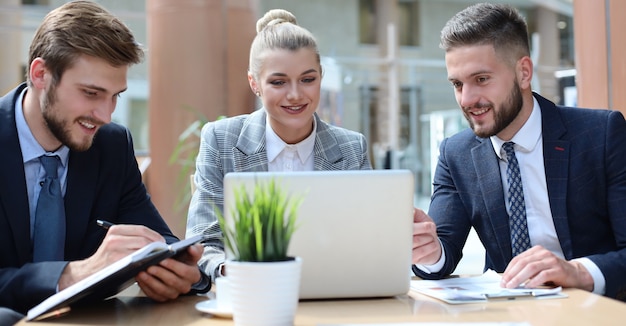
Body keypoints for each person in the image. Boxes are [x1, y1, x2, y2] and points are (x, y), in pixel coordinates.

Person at [0, 0, 210, 320]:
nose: (105, 114)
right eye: (91, 93)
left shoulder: (111, 145)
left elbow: (157, 241)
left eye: (116, 95)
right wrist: (70, 275)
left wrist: (184, 273)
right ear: (41, 74)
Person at [411, 2, 626, 301]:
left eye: (481, 79)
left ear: (524, 72)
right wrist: (428, 250)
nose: (467, 99)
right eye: (458, 84)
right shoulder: (456, 153)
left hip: (596, 310)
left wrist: (577, 272)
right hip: (509, 313)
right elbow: (442, 252)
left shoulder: (601, 134)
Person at [186, 9, 371, 281]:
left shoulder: (352, 147)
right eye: (278, 82)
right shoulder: (220, 139)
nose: (295, 95)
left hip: (333, 292)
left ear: (320, 76)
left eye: (308, 79)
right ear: (254, 83)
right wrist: (234, 271)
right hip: (252, 295)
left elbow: (367, 238)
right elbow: (204, 242)